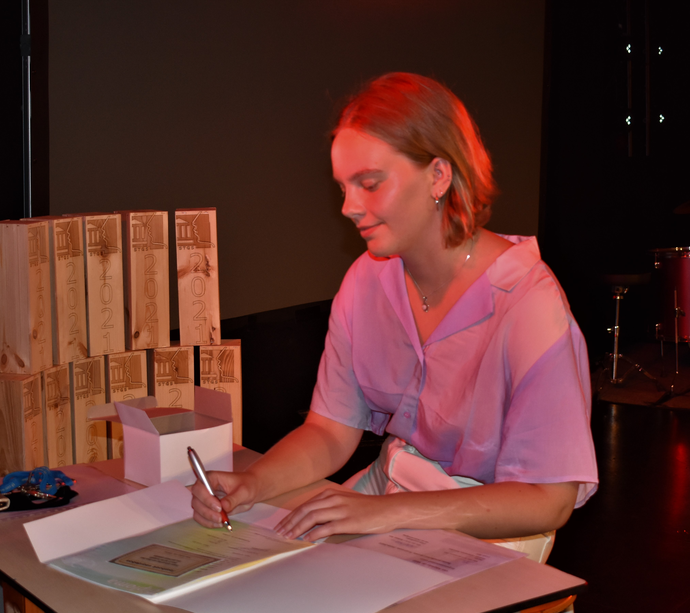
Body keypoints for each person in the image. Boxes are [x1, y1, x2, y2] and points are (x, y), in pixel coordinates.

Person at [192, 72, 598, 549]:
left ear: (438, 176)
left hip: (489, 523)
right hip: (393, 492)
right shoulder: (367, 280)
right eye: (343, 188)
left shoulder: (527, 301)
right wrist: (252, 483)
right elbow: (330, 430)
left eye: (369, 183)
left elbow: (548, 500)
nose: (348, 207)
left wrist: (385, 513)